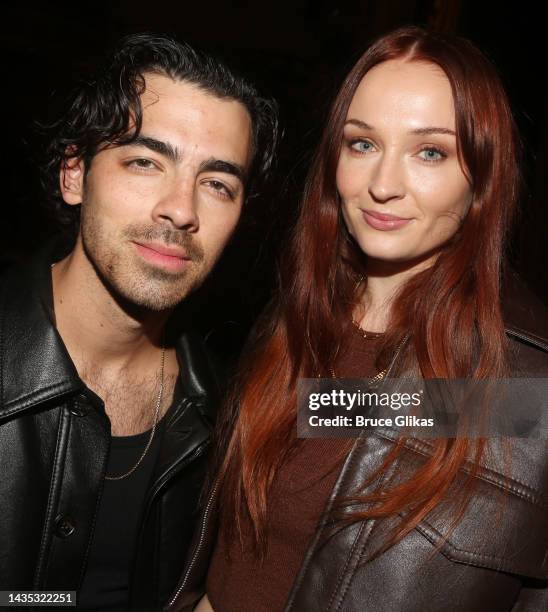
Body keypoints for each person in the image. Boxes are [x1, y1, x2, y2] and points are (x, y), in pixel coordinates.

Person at [166, 25, 548, 612]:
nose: (382, 185)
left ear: (482, 179)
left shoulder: (520, 384)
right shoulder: (293, 323)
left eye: (430, 152)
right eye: (362, 144)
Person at [0, 33, 277, 611]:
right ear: (74, 175)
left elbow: (486, 413)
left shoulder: (237, 409)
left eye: (217, 184)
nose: (180, 209)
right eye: (146, 162)